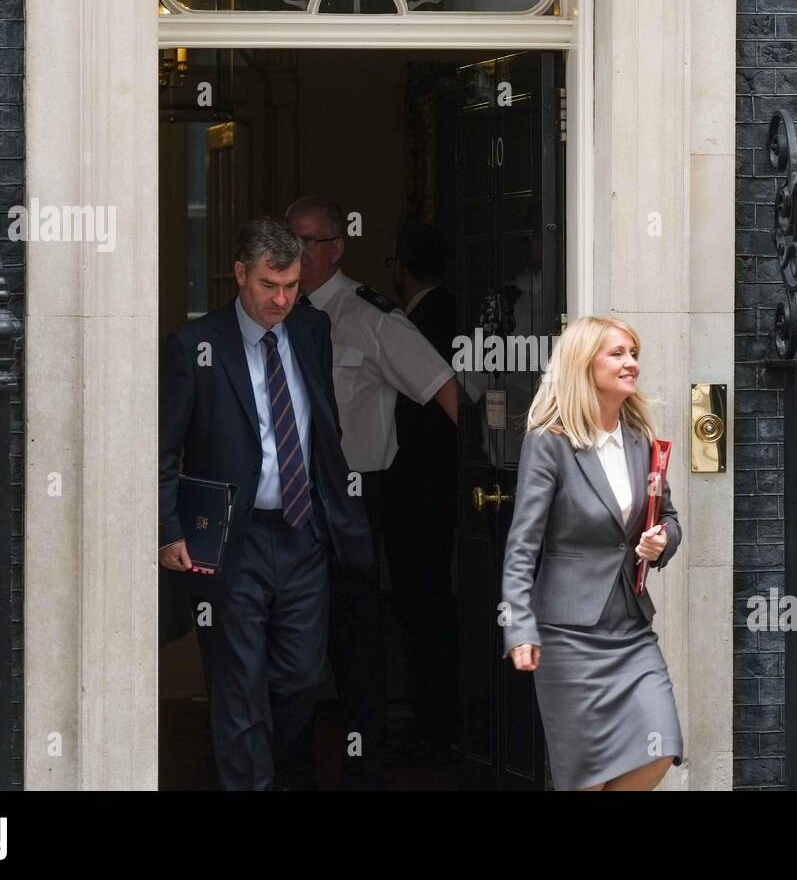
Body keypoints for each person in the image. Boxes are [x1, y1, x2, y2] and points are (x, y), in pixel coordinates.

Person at [158, 216, 371, 791]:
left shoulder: (312, 330)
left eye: (292, 286)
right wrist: (167, 528)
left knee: (300, 679)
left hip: (304, 533)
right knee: (237, 684)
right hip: (232, 539)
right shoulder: (195, 346)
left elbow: (322, 425)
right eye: (268, 286)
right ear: (239, 275)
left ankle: (258, 771)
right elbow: (164, 445)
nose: (281, 299)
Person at [283, 196, 459, 789]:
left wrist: (475, 472)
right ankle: (293, 769)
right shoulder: (274, 310)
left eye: (310, 241)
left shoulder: (371, 317)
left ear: (336, 248)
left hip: (353, 496)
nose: (298, 252)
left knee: (355, 643)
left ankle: (364, 766)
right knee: (292, 637)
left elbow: (445, 390)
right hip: (286, 499)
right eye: (290, 239)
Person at [500, 315, 685, 791]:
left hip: (631, 626)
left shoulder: (641, 438)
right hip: (568, 635)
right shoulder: (550, 443)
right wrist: (519, 625)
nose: (631, 364)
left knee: (661, 746)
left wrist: (661, 540)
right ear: (585, 365)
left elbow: (670, 517)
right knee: (584, 777)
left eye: (633, 353)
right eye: (618, 354)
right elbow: (523, 544)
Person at [386, 222, 458, 764]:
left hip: (421, 492)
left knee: (424, 606)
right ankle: (438, 724)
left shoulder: (420, 324)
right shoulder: (445, 315)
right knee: (429, 605)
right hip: (431, 490)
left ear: (401, 268)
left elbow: (451, 405)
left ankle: (436, 729)